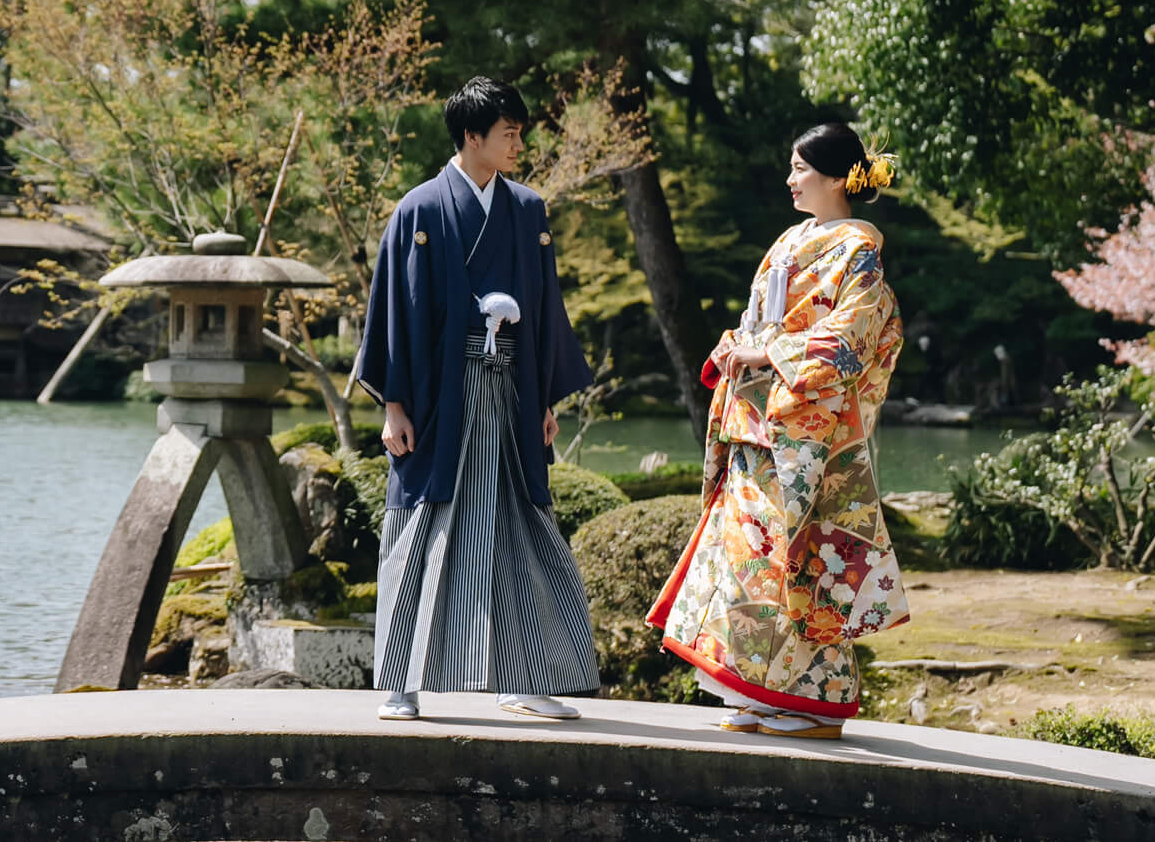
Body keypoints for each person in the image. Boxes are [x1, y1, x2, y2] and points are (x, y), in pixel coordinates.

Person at [351, 76, 599, 723]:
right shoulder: (419, 211)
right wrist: (394, 406)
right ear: (472, 137)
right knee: (421, 526)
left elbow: (543, 308)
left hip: (511, 394)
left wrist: (544, 396)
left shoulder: (528, 210)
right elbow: (394, 313)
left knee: (516, 525)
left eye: (520, 133)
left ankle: (520, 677)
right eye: (508, 133)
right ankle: (400, 682)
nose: (519, 143)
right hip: (440, 395)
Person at [650, 124, 908, 740]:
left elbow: (855, 337)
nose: (789, 179)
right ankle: (768, 695)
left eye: (799, 168)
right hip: (756, 422)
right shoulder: (789, 241)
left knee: (803, 562)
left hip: (807, 431)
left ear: (837, 176)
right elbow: (754, 322)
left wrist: (771, 355)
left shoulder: (859, 249)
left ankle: (816, 702)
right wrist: (739, 346)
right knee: (748, 565)